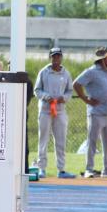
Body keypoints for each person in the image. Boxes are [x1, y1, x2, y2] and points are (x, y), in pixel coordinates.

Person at [73, 47, 107, 178]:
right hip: (96, 112)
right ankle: (89, 169)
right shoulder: (91, 72)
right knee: (92, 141)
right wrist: (86, 99)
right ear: (101, 59)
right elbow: (76, 84)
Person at [33, 48, 75, 179]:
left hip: (60, 111)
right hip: (45, 111)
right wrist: (46, 97)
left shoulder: (66, 73)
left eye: (58, 56)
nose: (56, 59)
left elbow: (70, 91)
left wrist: (65, 98)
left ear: (61, 58)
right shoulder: (44, 72)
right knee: (43, 139)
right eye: (54, 56)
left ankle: (61, 169)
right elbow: (37, 90)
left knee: (61, 140)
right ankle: (41, 168)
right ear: (50, 58)